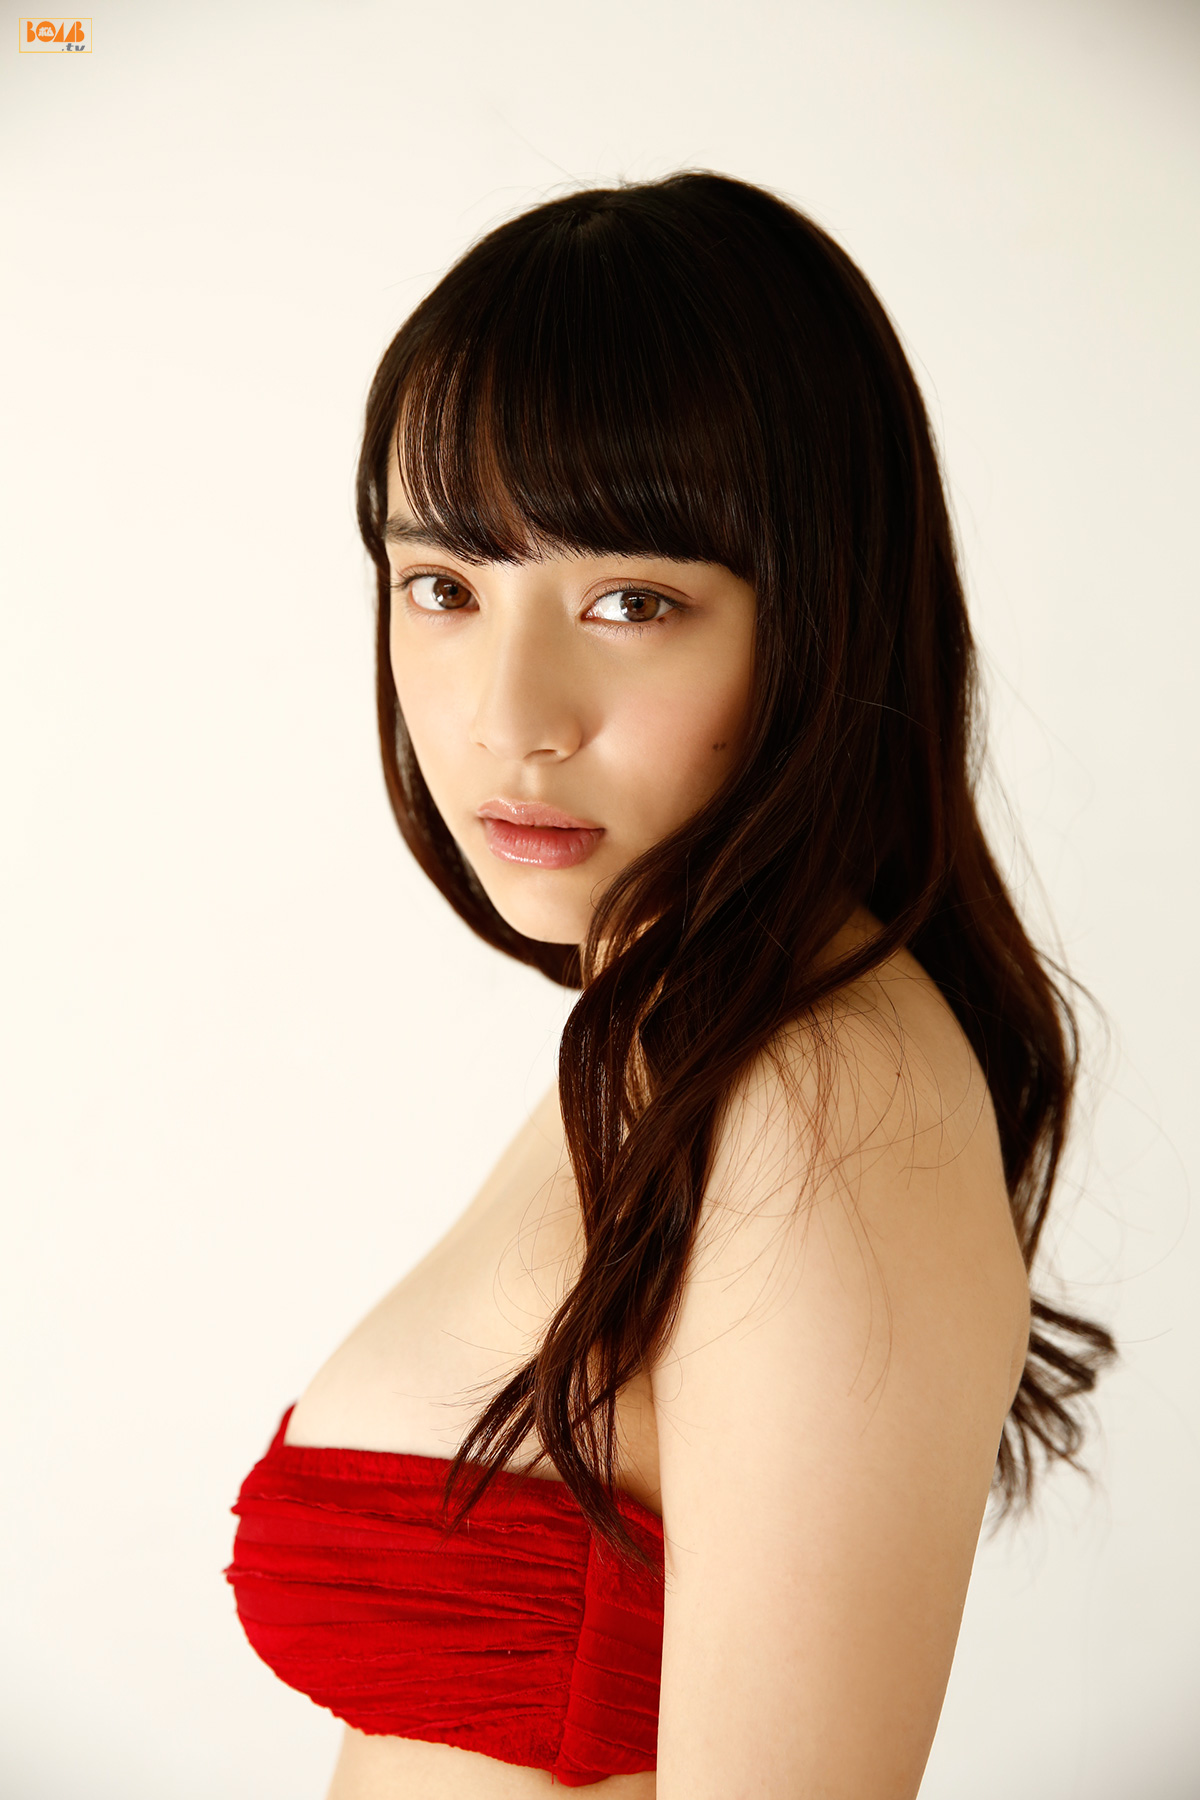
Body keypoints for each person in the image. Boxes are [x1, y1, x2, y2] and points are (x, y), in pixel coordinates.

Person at [225, 171, 1115, 1798]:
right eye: (443, 586)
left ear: (824, 616)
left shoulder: (815, 1090)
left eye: (631, 602)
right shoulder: (671, 1038)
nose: (511, 715)